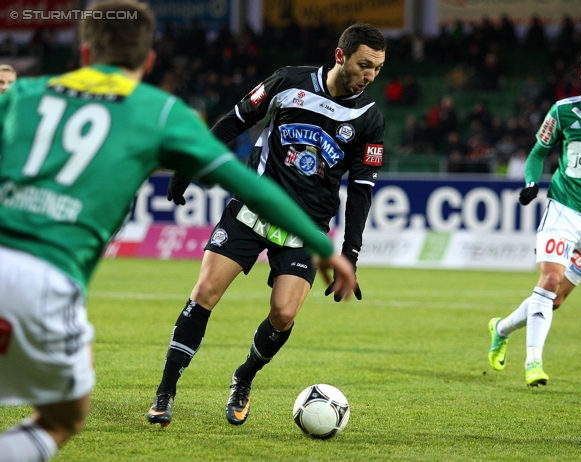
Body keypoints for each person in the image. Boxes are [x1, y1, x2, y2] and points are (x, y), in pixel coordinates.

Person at [0, 2, 357, 461]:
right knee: (63, 419)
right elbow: (250, 186)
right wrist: (325, 247)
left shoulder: (22, 94)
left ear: (84, 53)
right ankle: (164, 391)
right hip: (48, 285)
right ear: (149, 61)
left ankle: (231, 381)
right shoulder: (162, 112)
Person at [147, 22, 386, 427]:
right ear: (340, 55)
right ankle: (165, 391)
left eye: (378, 68)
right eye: (364, 65)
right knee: (204, 291)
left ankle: (243, 378)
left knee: (283, 314)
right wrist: (189, 164)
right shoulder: (288, 82)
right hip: (251, 210)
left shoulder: (369, 118)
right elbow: (235, 119)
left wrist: (351, 252)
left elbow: (362, 189)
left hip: (305, 227)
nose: (370, 76)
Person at [487, 44, 581, 387]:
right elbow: (537, 152)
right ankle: (533, 363)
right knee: (550, 280)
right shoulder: (563, 111)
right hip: (564, 209)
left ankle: (500, 329)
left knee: (554, 300)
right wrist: (530, 182)